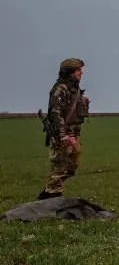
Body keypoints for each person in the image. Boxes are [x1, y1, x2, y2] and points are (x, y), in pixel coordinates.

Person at [38, 58, 90, 200]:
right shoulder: (60, 89)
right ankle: (53, 198)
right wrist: (62, 135)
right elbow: (56, 114)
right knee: (60, 167)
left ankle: (48, 192)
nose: (81, 73)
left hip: (73, 134)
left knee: (71, 167)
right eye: (78, 70)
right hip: (63, 136)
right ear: (70, 72)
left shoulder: (75, 89)